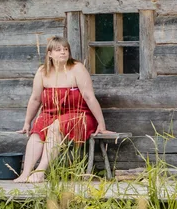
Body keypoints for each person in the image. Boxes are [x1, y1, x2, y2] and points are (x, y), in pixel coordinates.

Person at [16, 37, 113, 183]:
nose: (63, 52)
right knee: (37, 132)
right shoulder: (42, 71)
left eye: (65, 49)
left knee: (55, 127)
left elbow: (89, 97)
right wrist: (27, 122)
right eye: (58, 50)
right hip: (50, 114)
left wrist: (101, 124)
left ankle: (40, 172)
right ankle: (25, 173)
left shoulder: (77, 68)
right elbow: (35, 99)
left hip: (79, 115)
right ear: (49, 54)